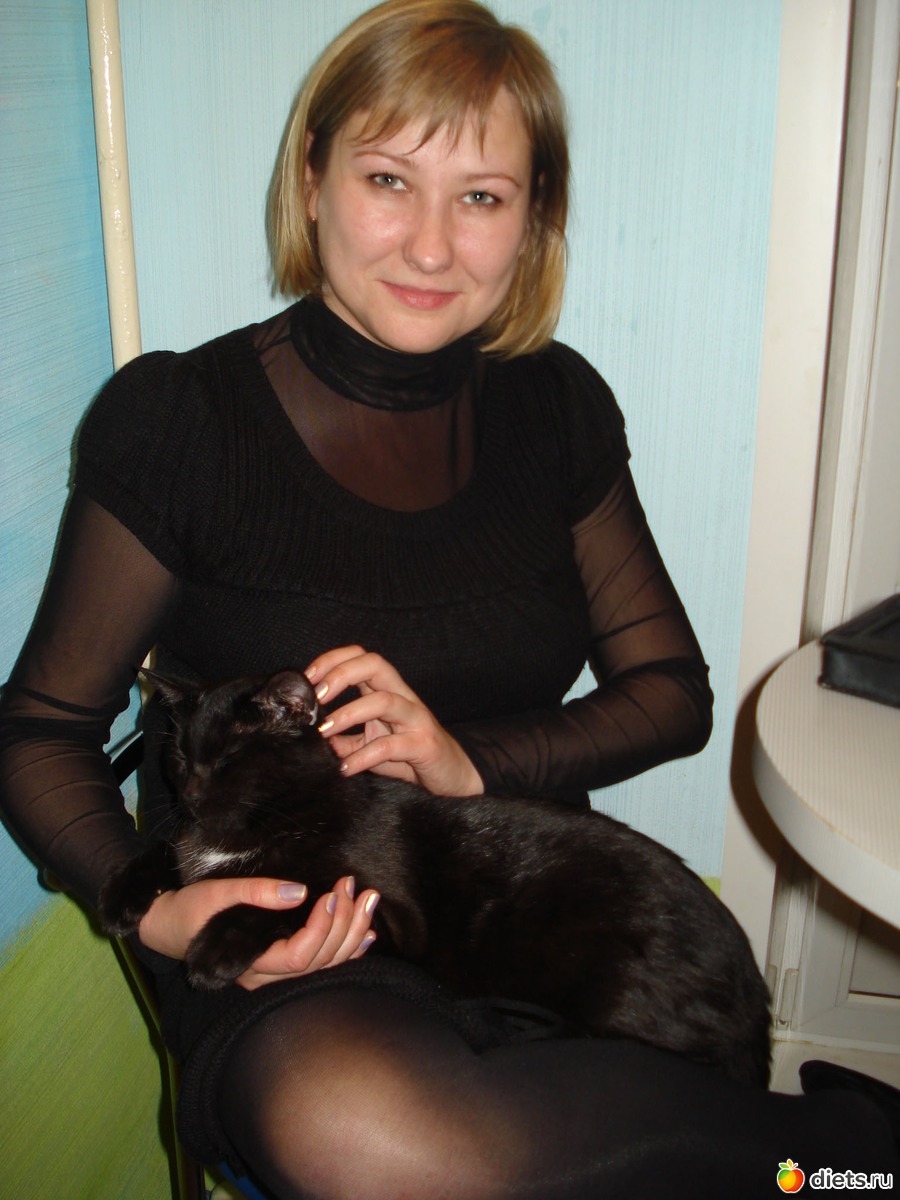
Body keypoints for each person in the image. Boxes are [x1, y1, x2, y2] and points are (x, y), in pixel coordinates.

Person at [1, 2, 897, 1196]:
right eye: (388, 179)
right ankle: (854, 1157)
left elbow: (670, 693)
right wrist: (161, 911)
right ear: (311, 178)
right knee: (368, 1132)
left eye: (481, 195)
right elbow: (41, 730)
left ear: (534, 219)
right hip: (291, 932)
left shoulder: (555, 406)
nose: (431, 246)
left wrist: (470, 760)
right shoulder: (183, 422)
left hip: (511, 908)